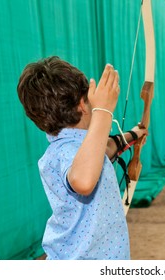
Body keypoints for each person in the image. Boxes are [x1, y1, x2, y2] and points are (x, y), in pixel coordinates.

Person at [17, 56, 147, 259]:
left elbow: (104, 148)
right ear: (82, 105)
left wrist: (133, 134)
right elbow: (83, 181)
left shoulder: (80, 145)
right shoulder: (66, 151)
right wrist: (103, 111)